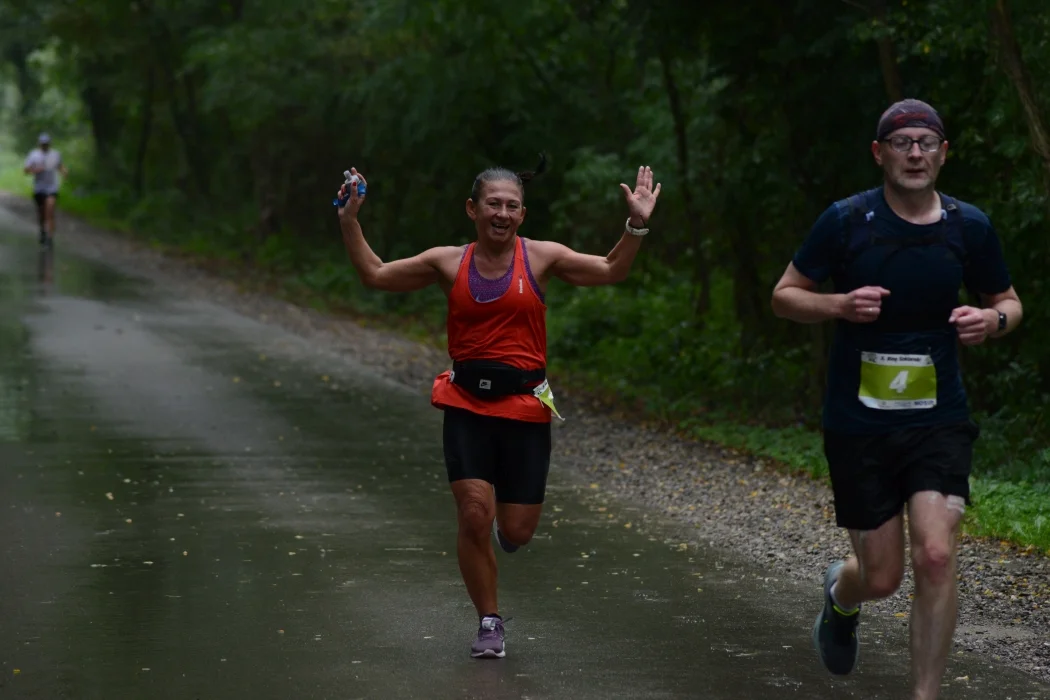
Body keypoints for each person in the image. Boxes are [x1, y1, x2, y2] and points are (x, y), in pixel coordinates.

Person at [336, 157, 661, 659]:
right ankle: (489, 621)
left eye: (512, 205)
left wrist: (636, 223)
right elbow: (376, 275)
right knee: (472, 513)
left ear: (523, 215)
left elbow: (611, 268)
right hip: (466, 402)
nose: (502, 213)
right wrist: (349, 220)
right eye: (493, 204)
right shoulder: (448, 262)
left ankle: (503, 532)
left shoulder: (542, 258)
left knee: (516, 530)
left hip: (526, 407)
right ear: (473, 209)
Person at [771, 99, 1022, 700]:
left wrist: (993, 321)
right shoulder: (846, 221)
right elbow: (784, 296)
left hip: (938, 418)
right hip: (860, 423)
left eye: (926, 142)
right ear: (879, 154)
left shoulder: (969, 226)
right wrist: (837, 304)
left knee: (936, 555)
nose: (915, 153)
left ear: (943, 153)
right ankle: (842, 592)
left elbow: (1010, 301)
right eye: (902, 143)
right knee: (881, 578)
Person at [23, 132, 68, 248]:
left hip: (52, 187)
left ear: (49, 144)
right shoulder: (34, 155)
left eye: (47, 144)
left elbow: (60, 166)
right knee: (42, 213)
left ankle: (50, 238)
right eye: (43, 144)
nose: (45, 146)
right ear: (39, 144)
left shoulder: (55, 154)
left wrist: (64, 171)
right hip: (39, 188)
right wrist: (37, 170)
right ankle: (42, 231)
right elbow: (26, 170)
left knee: (50, 211)